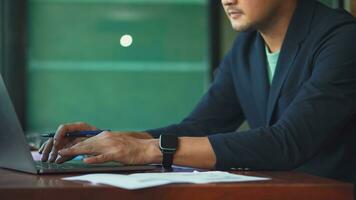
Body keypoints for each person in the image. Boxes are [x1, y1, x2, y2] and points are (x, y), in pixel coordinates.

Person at [40, 0, 356, 182]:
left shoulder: (343, 39)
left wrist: (150, 150)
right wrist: (112, 140)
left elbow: (289, 142)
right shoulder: (246, 48)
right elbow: (200, 127)